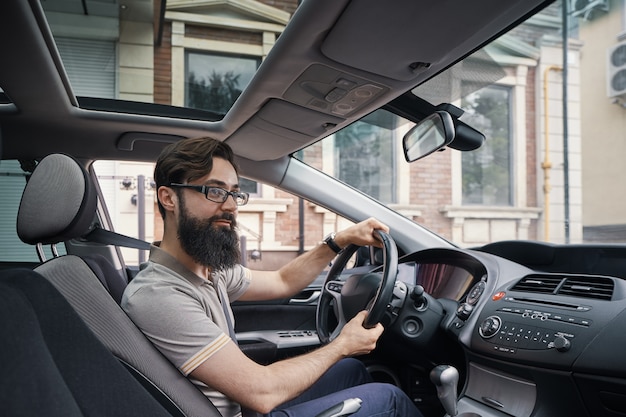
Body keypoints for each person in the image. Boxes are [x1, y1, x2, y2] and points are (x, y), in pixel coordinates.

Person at [121, 137, 423, 417]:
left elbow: (283, 282)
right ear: (168, 198)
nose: (229, 206)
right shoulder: (159, 295)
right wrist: (343, 343)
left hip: (241, 404)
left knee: (352, 370)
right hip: (241, 407)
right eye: (214, 191)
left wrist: (339, 240)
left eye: (234, 194)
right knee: (389, 399)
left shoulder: (208, 271)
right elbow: (261, 392)